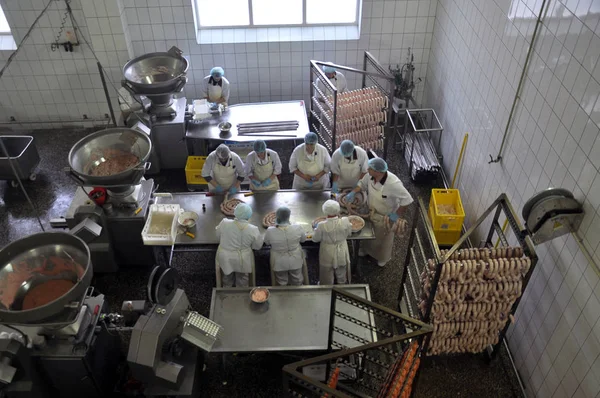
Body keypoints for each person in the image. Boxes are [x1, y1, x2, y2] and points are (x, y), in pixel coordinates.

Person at [345, 158, 413, 267]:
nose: (367, 169)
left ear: (378, 172)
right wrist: (353, 192)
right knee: (368, 235)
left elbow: (407, 200)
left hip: (385, 217)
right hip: (371, 211)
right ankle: (366, 250)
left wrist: (395, 216)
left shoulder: (393, 183)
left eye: (370, 168)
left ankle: (383, 258)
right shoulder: (370, 176)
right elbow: (362, 184)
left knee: (383, 240)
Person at [215, 203, 264, 287]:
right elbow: (257, 246)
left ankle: (227, 290)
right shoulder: (253, 229)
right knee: (242, 278)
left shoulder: (224, 223)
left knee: (227, 275)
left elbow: (218, 236)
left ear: (235, 213)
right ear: (249, 215)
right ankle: (241, 292)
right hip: (243, 259)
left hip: (226, 257)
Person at [264, 206, 307, 286]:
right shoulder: (298, 228)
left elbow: (267, 242)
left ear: (277, 216)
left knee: (281, 281)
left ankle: (283, 295)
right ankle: (298, 295)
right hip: (295, 260)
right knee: (297, 279)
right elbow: (303, 240)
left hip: (279, 262)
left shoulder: (270, 230)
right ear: (288, 216)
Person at [312, 200, 352, 284]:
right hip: (341, 248)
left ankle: (326, 286)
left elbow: (316, 239)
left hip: (327, 250)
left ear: (325, 211)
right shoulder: (345, 221)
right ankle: (342, 285)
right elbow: (349, 233)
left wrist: (315, 229)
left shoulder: (321, 225)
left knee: (326, 271)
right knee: (341, 269)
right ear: (338, 210)